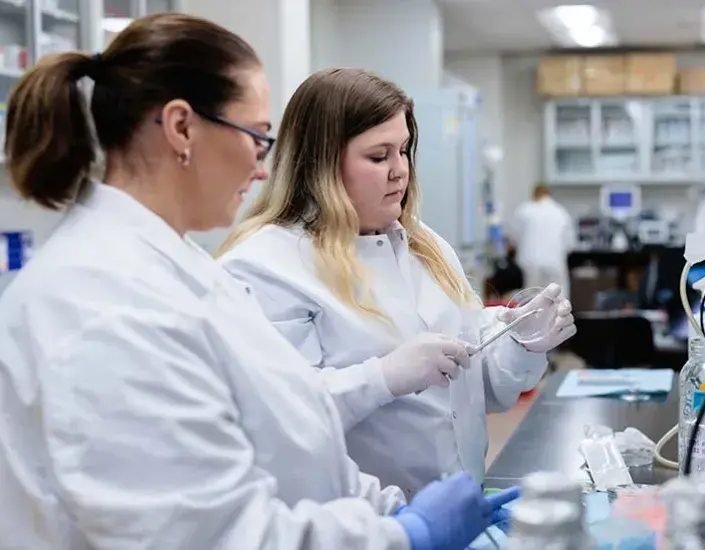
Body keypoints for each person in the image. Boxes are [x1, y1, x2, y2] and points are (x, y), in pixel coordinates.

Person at [0, 14, 506, 550]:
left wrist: (389, 508)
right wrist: (402, 535)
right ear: (181, 128)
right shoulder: (101, 302)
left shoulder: (181, 270)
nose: (265, 168)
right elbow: (205, 536)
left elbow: (290, 442)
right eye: (257, 138)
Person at [215, 68, 576, 498]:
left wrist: (522, 341)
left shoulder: (426, 245)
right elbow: (279, 421)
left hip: (458, 505)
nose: (399, 171)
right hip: (361, 527)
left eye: (403, 150)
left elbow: (476, 391)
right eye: (378, 156)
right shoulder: (266, 266)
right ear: (321, 162)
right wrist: (383, 377)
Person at [508, 183, 576, 299]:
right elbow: (570, 243)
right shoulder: (560, 211)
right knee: (558, 298)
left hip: (530, 262)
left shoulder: (524, 210)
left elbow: (514, 239)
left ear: (534, 193)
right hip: (554, 261)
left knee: (531, 299)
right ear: (548, 193)